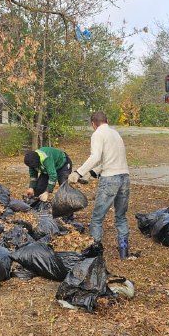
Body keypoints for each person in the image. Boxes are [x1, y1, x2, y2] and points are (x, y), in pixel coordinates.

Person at [68, 111, 131, 259]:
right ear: (106, 120)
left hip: (110, 180)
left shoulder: (97, 134)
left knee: (97, 219)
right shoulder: (115, 134)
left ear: (93, 124)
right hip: (125, 178)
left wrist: (78, 173)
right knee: (121, 216)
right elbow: (110, 159)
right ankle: (124, 252)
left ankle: (95, 253)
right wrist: (93, 173)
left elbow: (95, 156)